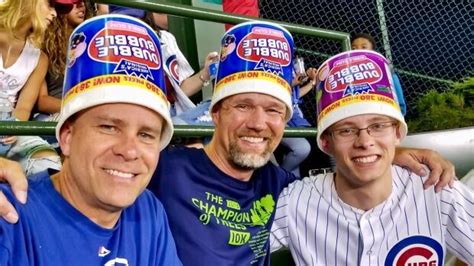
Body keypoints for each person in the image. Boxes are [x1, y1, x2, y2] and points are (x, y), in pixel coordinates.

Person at [0, 21, 457, 265]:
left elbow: (345, 179)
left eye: (274, 110)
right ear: (214, 113)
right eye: (242, 106)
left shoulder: (283, 188)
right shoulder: (159, 173)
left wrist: (384, 151)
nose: (258, 123)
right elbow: (67, 184)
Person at [0, 14, 181, 265]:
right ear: (67, 136)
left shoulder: (148, 211)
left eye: (145, 135)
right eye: (108, 127)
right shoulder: (10, 216)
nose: (129, 151)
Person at [270, 50, 473, 265]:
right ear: (326, 142)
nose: (365, 142)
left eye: (378, 126)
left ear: (397, 133)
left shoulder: (437, 187)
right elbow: (232, 248)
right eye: (346, 130)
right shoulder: (296, 201)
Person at [0, 0, 63, 175]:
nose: (54, 14)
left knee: (47, 160)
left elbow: (23, 108)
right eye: (50, 4)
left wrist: (13, 129)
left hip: (8, 124)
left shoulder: (40, 58)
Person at [36, 0, 89, 119]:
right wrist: (77, 108)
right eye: (74, 2)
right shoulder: (44, 44)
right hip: (56, 112)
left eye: (83, 1)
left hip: (88, 109)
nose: (81, 6)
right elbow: (41, 101)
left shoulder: (93, 40)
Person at [351, 32, 407, 116]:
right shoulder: (346, 74)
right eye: (354, 48)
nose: (358, 50)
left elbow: (401, 105)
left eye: (364, 47)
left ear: (373, 51)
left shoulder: (387, 72)